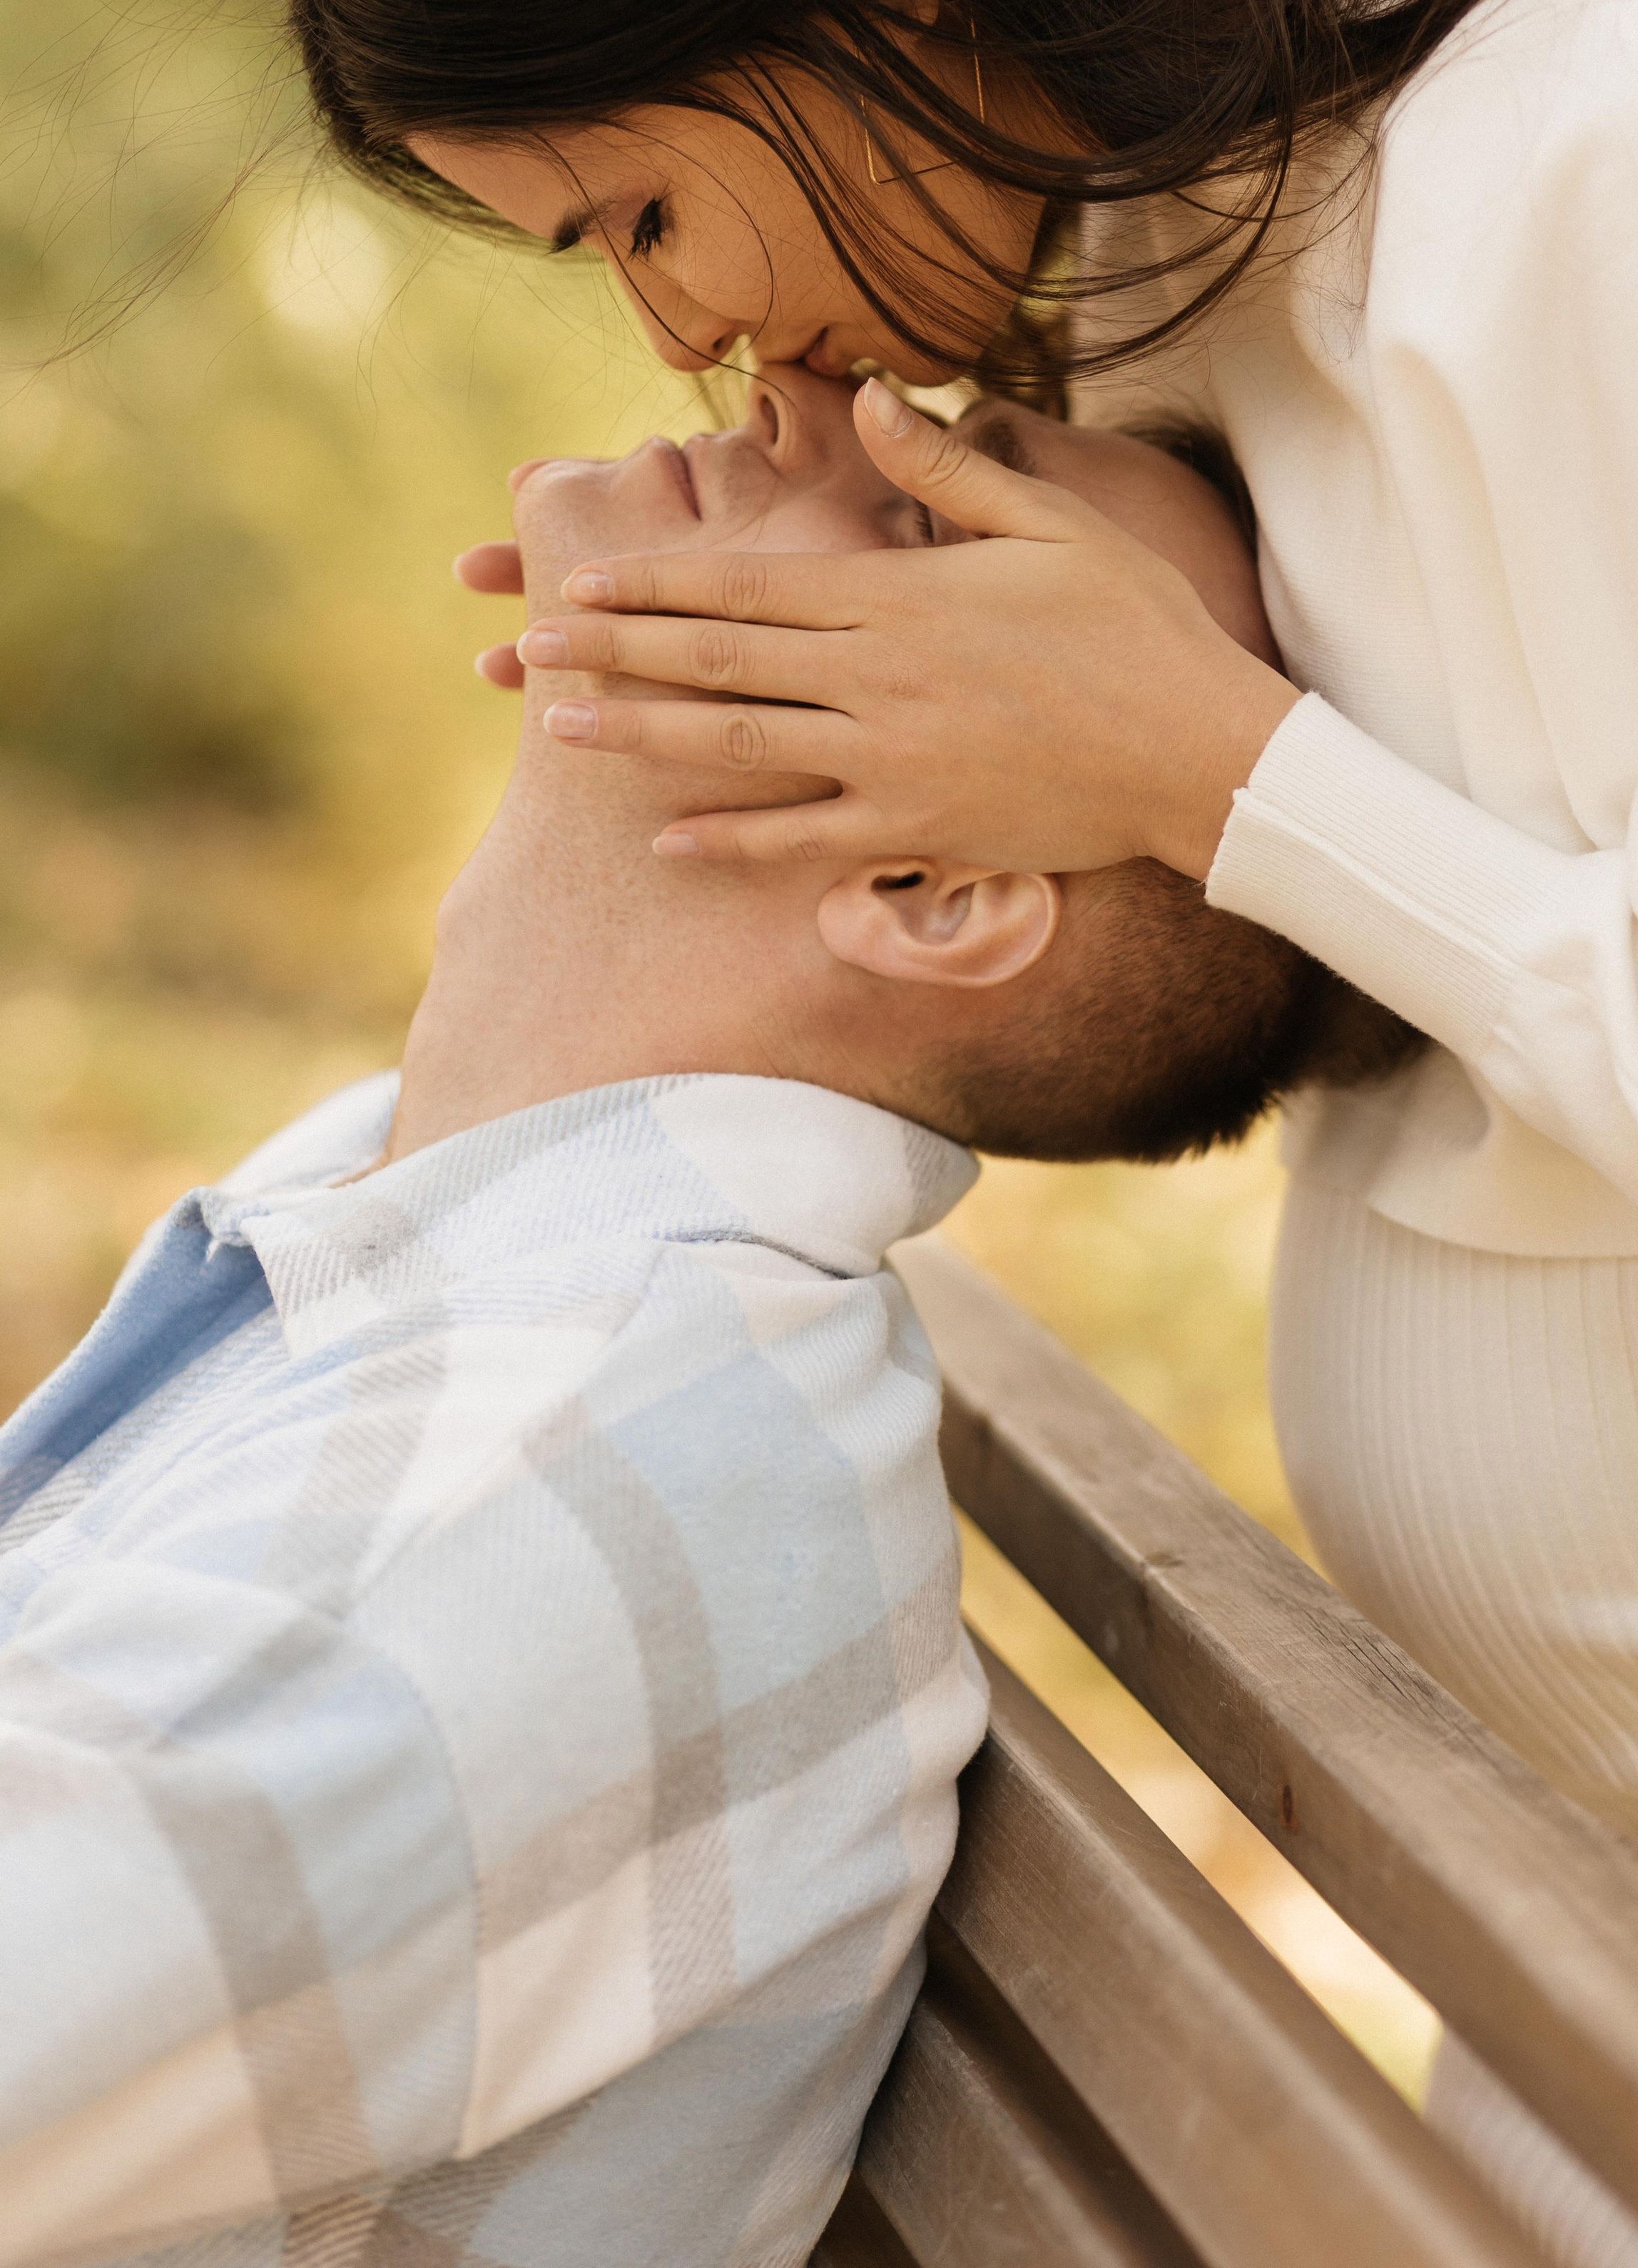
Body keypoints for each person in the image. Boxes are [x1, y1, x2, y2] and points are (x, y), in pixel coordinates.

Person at [276, 0, 1638, 2259]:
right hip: (1626, 1934)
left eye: (638, 212)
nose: (675, 342)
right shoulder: (1150, 226)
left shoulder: (1629, 127)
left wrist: (1198, 760)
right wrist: (865, 750)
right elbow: (1401, 983)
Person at [0, 364, 1408, 2268]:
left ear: (929, 888)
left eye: (923, 508)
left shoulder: (503, 1508)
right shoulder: (450, 1254)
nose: (803, 396)